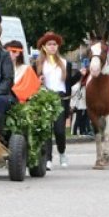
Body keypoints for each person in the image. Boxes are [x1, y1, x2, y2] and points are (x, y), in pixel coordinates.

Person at [36, 31, 81, 169]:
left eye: (54, 44)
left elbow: (69, 82)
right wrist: (39, 80)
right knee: (46, 130)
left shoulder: (65, 63)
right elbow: (33, 82)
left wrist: (80, 74)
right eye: (49, 44)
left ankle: (62, 152)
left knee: (59, 130)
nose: (52, 47)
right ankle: (48, 158)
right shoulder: (38, 63)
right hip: (45, 98)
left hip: (61, 98)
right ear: (44, 46)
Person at [4, 40, 40, 104]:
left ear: (18, 53)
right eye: (7, 52)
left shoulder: (26, 69)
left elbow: (32, 90)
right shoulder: (2, 69)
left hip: (21, 105)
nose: (9, 54)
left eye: (13, 51)